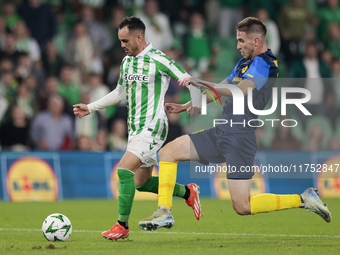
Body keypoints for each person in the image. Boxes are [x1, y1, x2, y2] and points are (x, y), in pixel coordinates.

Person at [139, 17, 332, 231]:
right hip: (222, 130)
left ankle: (303, 199)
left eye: (241, 41)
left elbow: (239, 91)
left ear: (256, 41)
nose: (238, 46)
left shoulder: (265, 63)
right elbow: (221, 87)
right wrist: (187, 105)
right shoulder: (244, 63)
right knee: (168, 152)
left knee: (242, 206)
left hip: (240, 138)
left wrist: (198, 80)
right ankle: (164, 213)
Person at [73, 16, 202, 241]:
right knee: (142, 183)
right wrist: (91, 108)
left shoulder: (159, 59)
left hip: (153, 127)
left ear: (139, 37)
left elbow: (189, 80)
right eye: (120, 41)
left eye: (125, 40)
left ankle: (121, 225)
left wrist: (195, 103)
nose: (122, 45)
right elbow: (120, 93)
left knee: (124, 171)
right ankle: (189, 192)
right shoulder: (126, 62)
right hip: (135, 130)